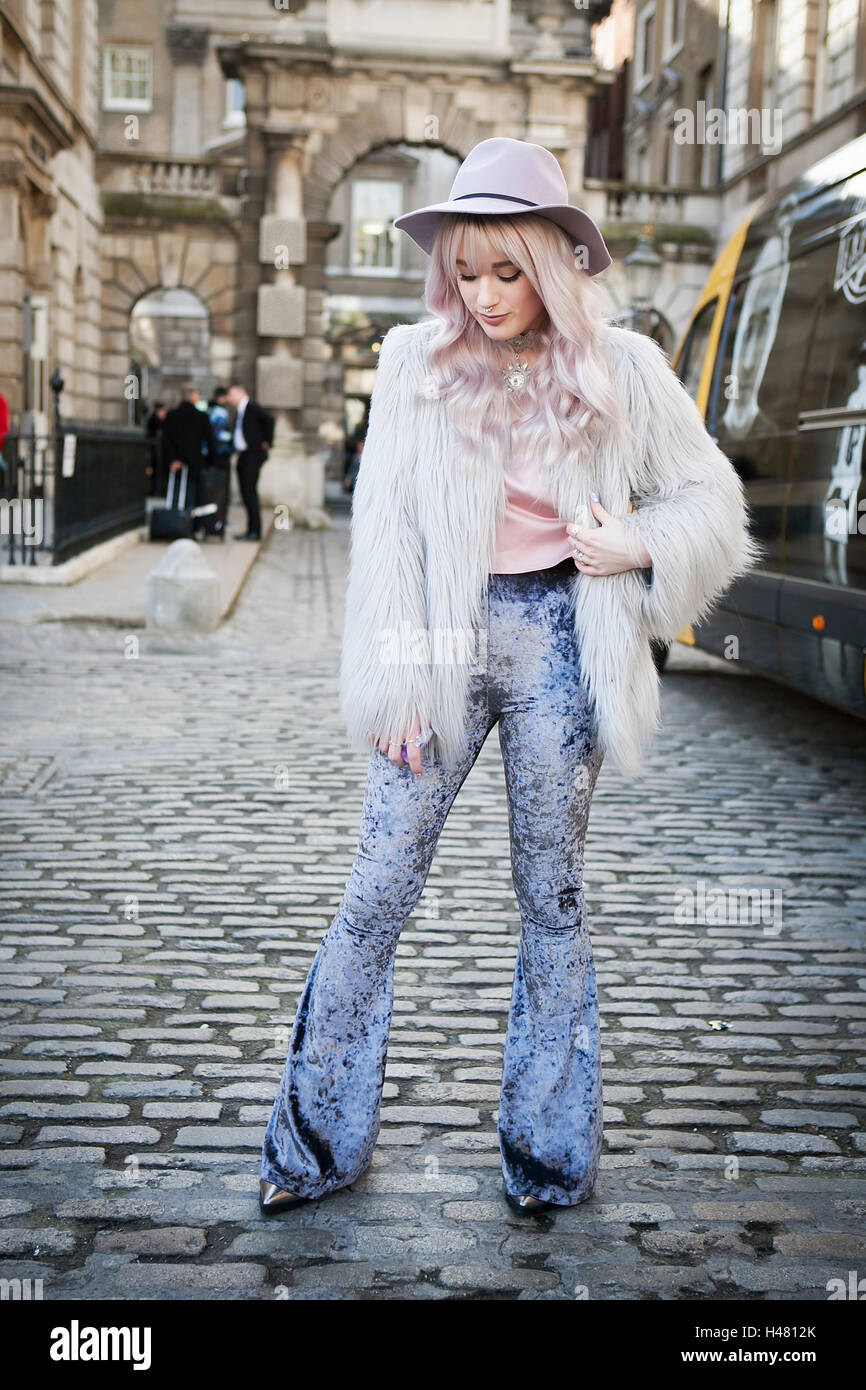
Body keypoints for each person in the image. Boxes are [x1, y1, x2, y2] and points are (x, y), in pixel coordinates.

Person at [258, 137, 762, 1218]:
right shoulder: (412, 363)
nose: (483, 296)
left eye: (508, 271)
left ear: (551, 263)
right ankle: (311, 1144)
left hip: (556, 643)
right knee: (375, 888)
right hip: (439, 634)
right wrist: (393, 681)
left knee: (551, 897)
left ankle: (546, 1152)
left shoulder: (621, 367)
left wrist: (630, 544)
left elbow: (708, 500)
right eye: (466, 272)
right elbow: (387, 531)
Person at [161, 383, 218, 537]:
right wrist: (212, 462)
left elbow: (166, 440)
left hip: (176, 462)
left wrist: (172, 459)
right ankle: (189, 527)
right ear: (193, 396)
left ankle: (173, 524)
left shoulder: (172, 415)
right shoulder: (202, 416)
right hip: (194, 463)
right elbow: (211, 442)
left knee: (175, 494)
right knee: (192, 496)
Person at [225, 383, 274, 540]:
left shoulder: (251, 407)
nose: (229, 398)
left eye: (231, 395)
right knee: (246, 494)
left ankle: (254, 531)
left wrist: (267, 441)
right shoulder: (240, 410)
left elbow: (270, 419)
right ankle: (250, 529)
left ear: (241, 393)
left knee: (250, 493)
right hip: (243, 455)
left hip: (252, 455)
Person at [144, 401, 167, 497]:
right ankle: (156, 490)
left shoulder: (155, 420)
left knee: (158, 471)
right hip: (156, 450)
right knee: (156, 471)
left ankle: (157, 490)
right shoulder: (154, 420)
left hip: (158, 450)